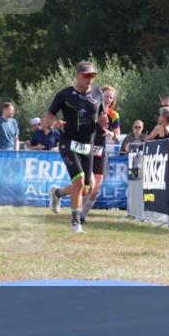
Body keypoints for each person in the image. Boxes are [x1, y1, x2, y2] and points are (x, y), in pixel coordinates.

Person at [45, 61, 108, 233]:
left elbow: (101, 117)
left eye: (93, 75)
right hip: (68, 142)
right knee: (79, 181)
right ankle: (75, 223)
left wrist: (103, 123)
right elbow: (48, 117)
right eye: (86, 75)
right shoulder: (65, 95)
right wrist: (53, 124)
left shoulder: (97, 93)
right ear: (77, 76)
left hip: (87, 145)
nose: (90, 79)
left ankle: (58, 193)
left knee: (87, 188)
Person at [84, 84, 121, 223]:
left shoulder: (114, 115)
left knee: (96, 186)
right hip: (87, 148)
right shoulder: (93, 109)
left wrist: (111, 133)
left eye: (111, 97)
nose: (108, 99)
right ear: (101, 96)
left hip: (101, 151)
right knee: (86, 184)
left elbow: (117, 137)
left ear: (113, 100)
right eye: (106, 96)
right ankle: (60, 194)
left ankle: (82, 216)